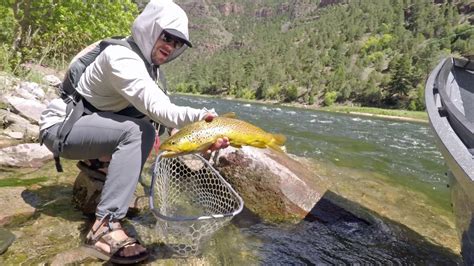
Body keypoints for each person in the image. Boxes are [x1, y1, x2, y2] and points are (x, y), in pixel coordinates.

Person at [39, 0, 229, 264]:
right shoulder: (122, 57)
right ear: (150, 28)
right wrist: (204, 117)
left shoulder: (150, 69)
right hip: (60, 129)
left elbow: (169, 125)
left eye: (177, 43)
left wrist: (200, 139)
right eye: (167, 37)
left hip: (88, 127)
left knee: (147, 129)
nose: (171, 46)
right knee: (139, 132)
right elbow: (160, 108)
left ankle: (97, 162)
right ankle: (104, 225)